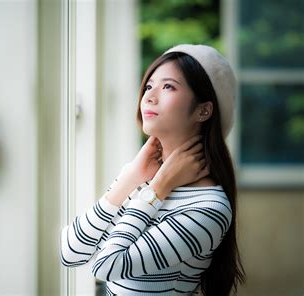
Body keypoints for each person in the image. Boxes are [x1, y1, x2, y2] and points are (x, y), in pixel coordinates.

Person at [60, 44, 245, 295]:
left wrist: (158, 189)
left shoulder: (209, 208)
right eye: (149, 86)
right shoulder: (139, 175)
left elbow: (105, 266)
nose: (149, 96)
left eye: (168, 86)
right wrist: (131, 177)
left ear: (204, 110)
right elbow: (70, 252)